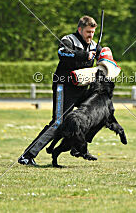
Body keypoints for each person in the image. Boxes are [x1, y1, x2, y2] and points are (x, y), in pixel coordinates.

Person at [18, 15, 102, 166]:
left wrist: (106, 58)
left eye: (93, 32)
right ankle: (27, 156)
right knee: (59, 122)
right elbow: (62, 54)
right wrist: (84, 54)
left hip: (82, 89)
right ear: (80, 29)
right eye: (88, 32)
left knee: (96, 115)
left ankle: (77, 148)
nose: (91, 36)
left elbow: (103, 58)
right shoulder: (68, 40)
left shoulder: (94, 45)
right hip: (64, 87)